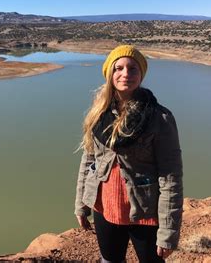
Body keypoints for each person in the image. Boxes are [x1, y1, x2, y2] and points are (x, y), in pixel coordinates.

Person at [74, 45, 183, 263]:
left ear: (141, 73)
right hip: (105, 207)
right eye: (119, 68)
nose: (126, 74)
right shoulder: (99, 113)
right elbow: (89, 160)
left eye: (133, 68)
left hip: (144, 212)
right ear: (109, 73)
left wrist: (168, 233)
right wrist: (81, 204)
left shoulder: (159, 118)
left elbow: (170, 177)